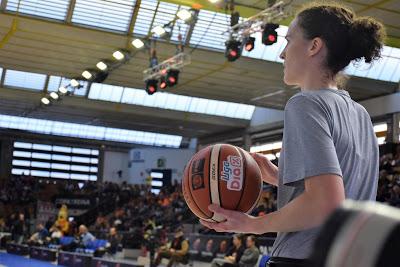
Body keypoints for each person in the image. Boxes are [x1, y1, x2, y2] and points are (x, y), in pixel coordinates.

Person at [200, 1, 385, 266]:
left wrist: (252, 224)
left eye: (288, 41)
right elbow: (343, 196)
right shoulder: (360, 114)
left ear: (314, 46)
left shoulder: (305, 104)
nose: (282, 53)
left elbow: (326, 203)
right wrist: (280, 176)